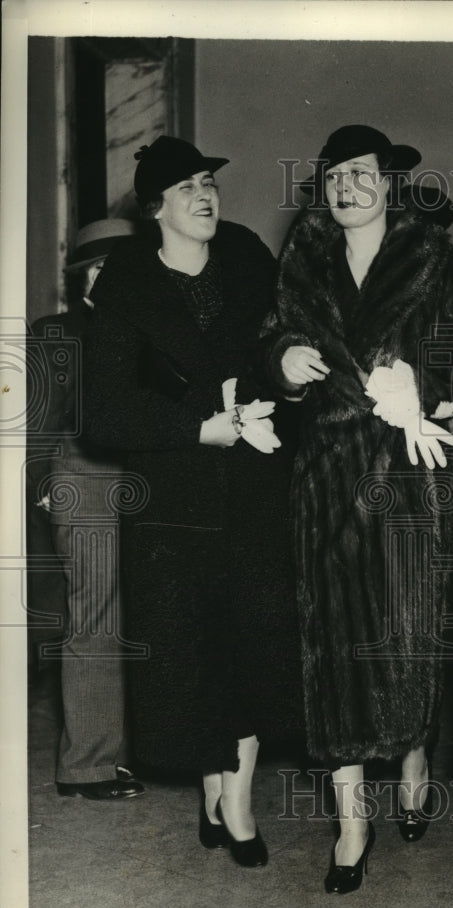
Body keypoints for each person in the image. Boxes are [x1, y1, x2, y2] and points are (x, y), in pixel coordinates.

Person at [261, 124, 453, 894]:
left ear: (387, 183)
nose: (346, 186)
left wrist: (425, 388)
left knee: (407, 634)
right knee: (331, 646)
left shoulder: (431, 258)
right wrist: (283, 364)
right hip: (324, 476)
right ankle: (352, 823)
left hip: (406, 479)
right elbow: (275, 339)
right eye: (333, 176)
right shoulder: (304, 257)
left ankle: (415, 751)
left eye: (360, 174)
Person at [84, 136, 296, 866]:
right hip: (171, 504)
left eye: (209, 182)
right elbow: (104, 413)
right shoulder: (124, 286)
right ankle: (214, 788)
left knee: (251, 642)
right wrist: (195, 427)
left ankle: (237, 806)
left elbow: (279, 343)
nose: (205, 196)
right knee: (191, 651)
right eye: (186, 189)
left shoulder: (245, 260)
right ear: (155, 210)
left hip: (254, 490)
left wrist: (282, 385)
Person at [28, 218, 144, 801]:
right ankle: (89, 766)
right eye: (98, 269)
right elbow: (34, 427)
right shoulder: (57, 333)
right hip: (85, 477)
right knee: (96, 618)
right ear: (80, 280)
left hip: (154, 476)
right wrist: (45, 488)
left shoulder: (153, 331)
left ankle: (146, 750)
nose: (110, 279)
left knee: (152, 615)